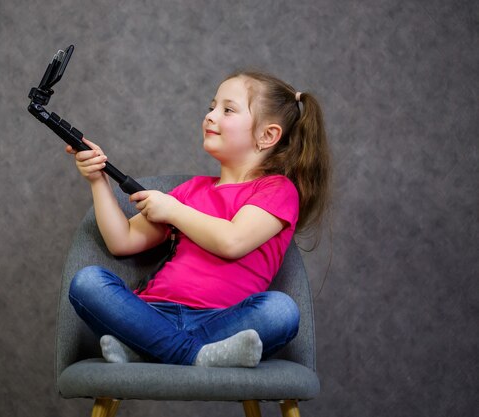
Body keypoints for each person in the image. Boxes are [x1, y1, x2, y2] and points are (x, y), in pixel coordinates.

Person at [65, 71, 331, 367]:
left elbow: (232, 241)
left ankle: (149, 350)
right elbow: (121, 241)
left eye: (227, 110)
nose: (210, 116)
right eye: (211, 107)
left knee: (281, 310)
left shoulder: (278, 190)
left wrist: (173, 210)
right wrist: (98, 180)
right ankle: (194, 354)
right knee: (88, 282)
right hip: (153, 314)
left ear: (267, 135)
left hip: (224, 323)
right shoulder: (190, 191)